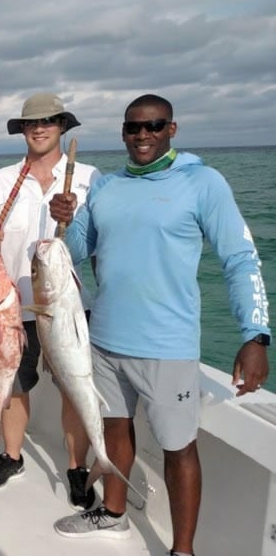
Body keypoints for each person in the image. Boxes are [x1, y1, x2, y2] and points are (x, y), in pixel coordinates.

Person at [50, 94, 270, 556]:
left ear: (172, 128)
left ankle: (182, 549)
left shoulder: (202, 182)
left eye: (154, 126)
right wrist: (66, 220)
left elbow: (239, 258)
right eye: (134, 128)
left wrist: (255, 335)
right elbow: (72, 251)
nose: (143, 136)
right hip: (105, 338)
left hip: (167, 345)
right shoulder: (106, 187)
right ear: (123, 133)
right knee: (113, 429)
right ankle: (112, 514)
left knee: (178, 447)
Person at [0, 93, 102, 505]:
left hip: (67, 305)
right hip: (14, 304)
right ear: (23, 130)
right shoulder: (2, 179)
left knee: (73, 387)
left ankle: (76, 466)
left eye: (49, 120)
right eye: (32, 123)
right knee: (12, 383)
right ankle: (12, 456)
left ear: (63, 126)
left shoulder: (87, 176)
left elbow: (99, 242)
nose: (40, 127)